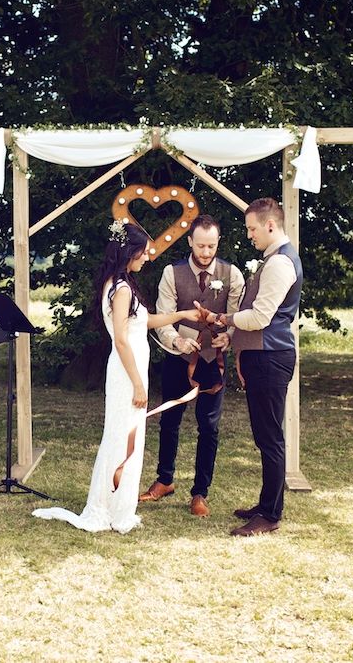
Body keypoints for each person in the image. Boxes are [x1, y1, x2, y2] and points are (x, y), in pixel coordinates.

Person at [32, 222, 202, 533]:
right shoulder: (121, 288)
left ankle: (116, 503)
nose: (147, 258)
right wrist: (138, 382)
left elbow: (144, 321)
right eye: (144, 253)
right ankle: (111, 507)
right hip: (127, 372)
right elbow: (122, 339)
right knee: (123, 439)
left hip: (129, 369)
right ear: (130, 252)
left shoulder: (121, 284)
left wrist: (180, 315)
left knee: (126, 437)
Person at [205, 198, 303, 536]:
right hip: (263, 357)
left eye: (252, 228)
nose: (249, 235)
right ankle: (266, 504)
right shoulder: (274, 260)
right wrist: (232, 336)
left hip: (270, 358)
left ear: (270, 226)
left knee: (271, 438)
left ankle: (271, 516)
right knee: (265, 436)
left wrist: (223, 318)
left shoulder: (279, 264)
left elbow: (261, 317)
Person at [139, 215, 245, 517]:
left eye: (211, 246)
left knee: (209, 427)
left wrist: (229, 336)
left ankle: (200, 492)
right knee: (169, 421)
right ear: (189, 242)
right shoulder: (172, 273)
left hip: (214, 362)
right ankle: (164, 480)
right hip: (179, 357)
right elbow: (164, 316)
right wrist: (177, 342)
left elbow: (238, 315)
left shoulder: (232, 273)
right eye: (200, 245)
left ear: (218, 243)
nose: (206, 252)